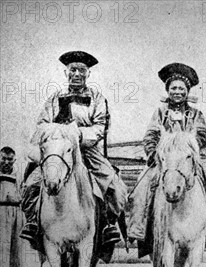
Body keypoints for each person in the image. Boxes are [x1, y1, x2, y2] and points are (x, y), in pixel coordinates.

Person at [20, 51, 127, 247]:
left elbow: (100, 127)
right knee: (30, 184)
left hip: (87, 150)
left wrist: (77, 135)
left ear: (88, 74)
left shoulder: (98, 99)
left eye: (82, 70)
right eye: (72, 70)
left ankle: (107, 224)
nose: (77, 74)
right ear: (66, 72)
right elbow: (42, 125)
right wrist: (59, 135)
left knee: (115, 187)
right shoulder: (54, 98)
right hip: (57, 151)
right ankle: (33, 221)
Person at [128, 63, 206, 252]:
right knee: (141, 186)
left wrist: (190, 147)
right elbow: (150, 135)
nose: (177, 92)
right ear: (168, 90)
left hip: (190, 158)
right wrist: (153, 152)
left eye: (181, 89)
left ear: (187, 91)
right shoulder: (160, 113)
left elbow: (203, 135)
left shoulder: (196, 114)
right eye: (174, 88)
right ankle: (139, 230)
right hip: (164, 159)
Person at [0, 147, 24, 267]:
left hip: (15, 212)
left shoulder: (19, 173)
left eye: (10, 159)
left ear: (14, 160)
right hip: (0, 209)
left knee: (15, 249)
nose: (7, 162)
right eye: (3, 158)